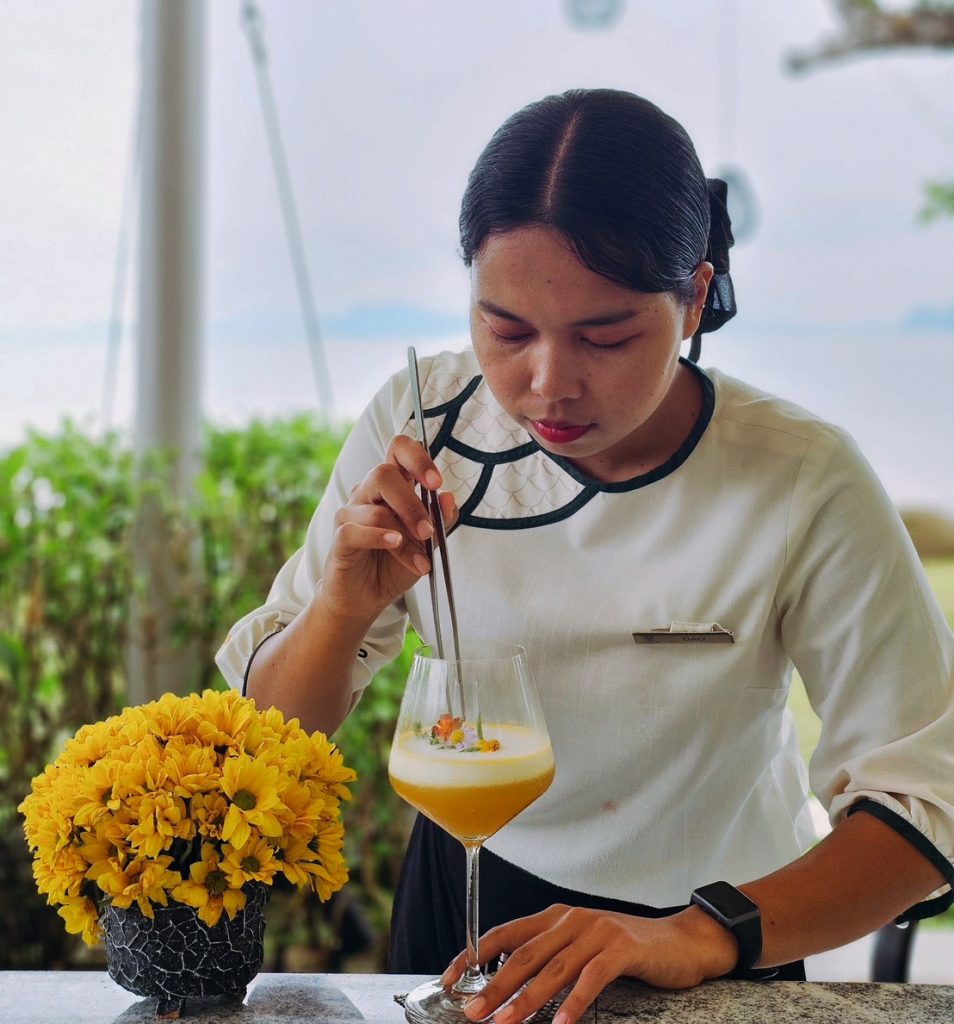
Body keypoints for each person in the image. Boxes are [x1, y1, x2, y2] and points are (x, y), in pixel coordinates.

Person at [217, 89, 954, 1023]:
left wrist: (700, 934)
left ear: (693, 298)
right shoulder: (422, 427)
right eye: (506, 329)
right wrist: (340, 609)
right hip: (469, 904)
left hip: (721, 930)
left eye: (605, 336)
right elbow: (275, 739)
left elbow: (926, 804)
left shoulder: (801, 477)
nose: (547, 384)